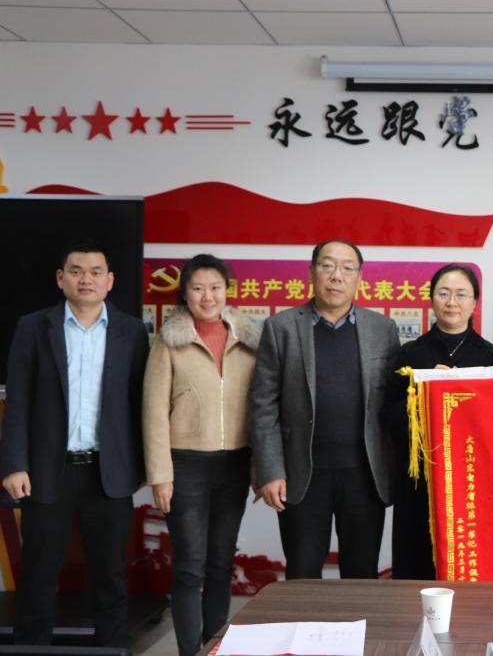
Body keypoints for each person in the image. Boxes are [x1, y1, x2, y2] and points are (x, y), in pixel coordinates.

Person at [0, 239, 148, 647]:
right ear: (60, 278)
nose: (86, 279)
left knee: (111, 577)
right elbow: (18, 402)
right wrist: (13, 464)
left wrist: (141, 467)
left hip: (108, 474)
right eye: (77, 271)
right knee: (38, 575)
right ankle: (32, 650)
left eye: (96, 272)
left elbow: (141, 404)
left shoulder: (132, 331)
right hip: (47, 472)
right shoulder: (33, 327)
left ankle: (112, 649)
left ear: (110, 281)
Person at [250, 239, 400, 579]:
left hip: (364, 475)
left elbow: (392, 401)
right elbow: (263, 405)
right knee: (302, 574)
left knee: (361, 575)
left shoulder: (383, 329)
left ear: (359, 277)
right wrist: (270, 470)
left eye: (347, 268)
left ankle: (358, 618)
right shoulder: (282, 327)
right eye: (327, 265)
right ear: (311, 272)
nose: (336, 276)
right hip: (302, 473)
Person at [142, 254, 260, 655]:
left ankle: (215, 646)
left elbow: (260, 409)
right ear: (185, 294)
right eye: (197, 288)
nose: (207, 297)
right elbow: (154, 411)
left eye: (215, 288)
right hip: (185, 465)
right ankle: (189, 650)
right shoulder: (169, 341)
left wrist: (259, 467)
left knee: (221, 563)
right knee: (190, 565)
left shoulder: (248, 340)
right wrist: (160, 474)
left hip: (234, 464)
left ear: (227, 291)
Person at [381, 265, 493, 579]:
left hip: (473, 479)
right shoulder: (410, 353)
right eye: (444, 293)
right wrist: (425, 394)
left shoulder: (491, 357)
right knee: (415, 564)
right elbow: (388, 415)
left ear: (474, 302)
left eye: (461, 294)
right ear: (432, 299)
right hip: (420, 478)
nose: (452, 302)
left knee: (471, 561)